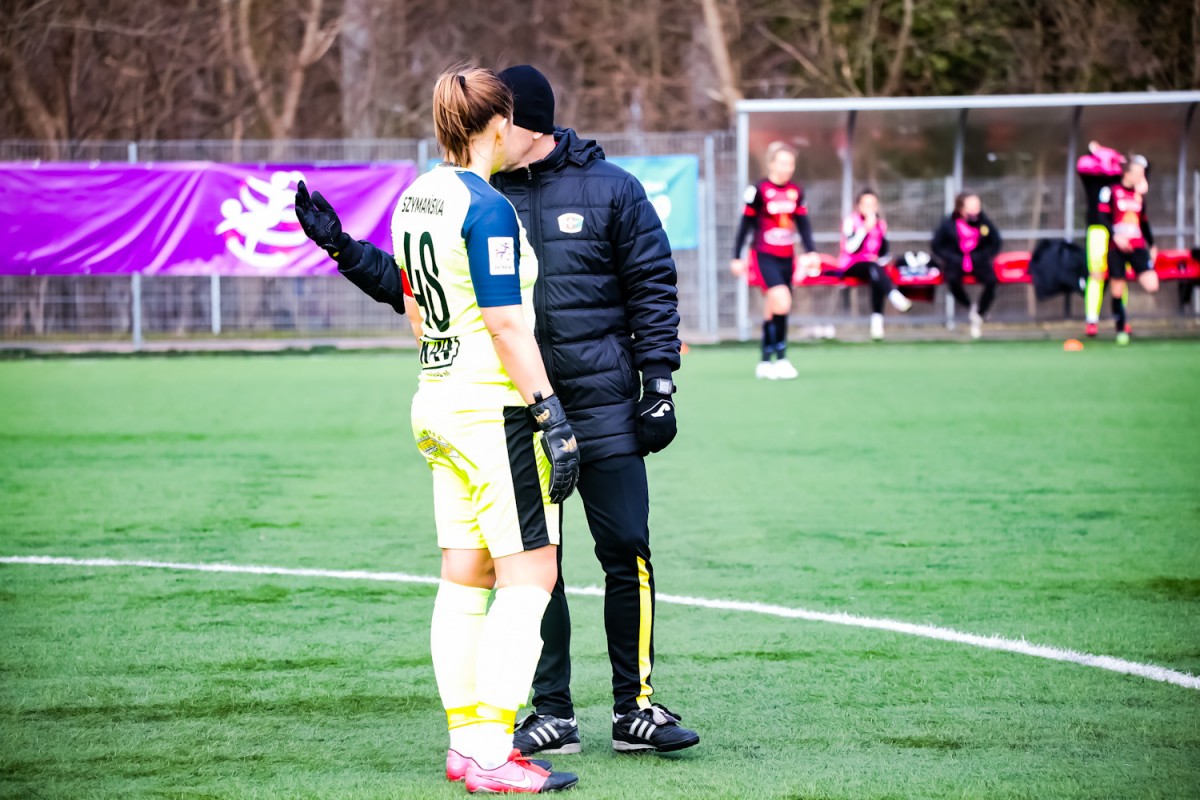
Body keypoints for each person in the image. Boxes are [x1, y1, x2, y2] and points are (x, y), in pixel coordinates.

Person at [295, 65, 698, 759]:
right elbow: (419, 290)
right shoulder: (477, 195)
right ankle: (553, 712)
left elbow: (652, 288)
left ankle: (634, 707)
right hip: (518, 411)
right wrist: (347, 253)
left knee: (626, 548)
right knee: (537, 564)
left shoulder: (613, 189)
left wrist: (659, 383)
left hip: (601, 404)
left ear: (524, 125)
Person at [303, 67, 581, 794]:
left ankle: (466, 741)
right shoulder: (488, 207)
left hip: (438, 404)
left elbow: (413, 301)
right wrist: (549, 411)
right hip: (493, 412)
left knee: (466, 576)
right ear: (500, 124)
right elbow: (506, 323)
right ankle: (491, 750)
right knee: (532, 576)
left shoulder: (417, 196)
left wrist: (344, 249)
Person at [730, 141, 818, 380]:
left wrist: (811, 251)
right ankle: (782, 358)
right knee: (783, 300)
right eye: (782, 163)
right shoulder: (758, 190)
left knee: (775, 308)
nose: (787, 168)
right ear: (771, 164)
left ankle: (765, 361)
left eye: (791, 164)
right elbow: (745, 225)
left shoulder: (796, 191)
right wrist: (736, 256)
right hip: (764, 255)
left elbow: (803, 224)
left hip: (787, 257)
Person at [1076, 141, 1149, 337]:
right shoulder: (1091, 174)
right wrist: (1099, 152)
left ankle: (1121, 320)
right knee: (1096, 275)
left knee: (1119, 277)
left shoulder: (1123, 176)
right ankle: (1092, 320)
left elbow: (1142, 182)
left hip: (1121, 233)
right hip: (1098, 230)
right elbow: (1083, 164)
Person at [837, 189, 911, 340]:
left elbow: (884, 252)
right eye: (865, 204)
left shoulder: (881, 225)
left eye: (872, 204)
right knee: (873, 268)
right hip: (852, 265)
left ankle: (877, 325)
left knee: (876, 275)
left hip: (873, 267)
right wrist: (864, 229)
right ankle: (894, 296)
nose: (869, 208)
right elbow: (850, 248)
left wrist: (883, 260)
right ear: (858, 206)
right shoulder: (851, 221)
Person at [1102, 159, 1159, 345]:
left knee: (1152, 285)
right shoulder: (1111, 191)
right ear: (1127, 173)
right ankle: (1121, 329)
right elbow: (1102, 217)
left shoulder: (1139, 196)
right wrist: (1115, 236)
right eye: (1138, 173)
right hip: (1116, 249)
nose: (1141, 176)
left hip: (1137, 247)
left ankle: (1131, 273)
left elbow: (1144, 222)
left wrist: (1152, 244)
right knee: (1117, 290)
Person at [931, 192, 1002, 339]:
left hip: (978, 262)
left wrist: (982, 256)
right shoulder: (948, 223)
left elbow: (995, 242)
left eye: (977, 206)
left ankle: (980, 313)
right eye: (972, 206)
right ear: (961, 208)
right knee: (951, 280)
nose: (975, 210)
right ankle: (971, 307)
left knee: (991, 281)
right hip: (955, 263)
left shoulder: (983, 222)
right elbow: (937, 245)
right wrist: (952, 258)